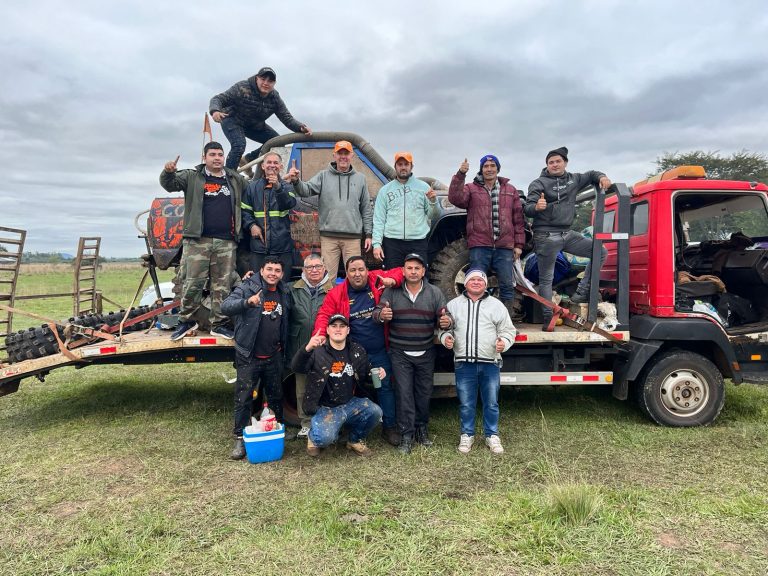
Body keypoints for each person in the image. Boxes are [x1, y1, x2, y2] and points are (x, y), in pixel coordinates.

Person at [160, 141, 248, 341]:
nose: (217, 158)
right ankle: (186, 321)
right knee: (193, 282)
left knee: (222, 285)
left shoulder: (233, 179)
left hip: (226, 241)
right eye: (213, 155)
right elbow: (169, 185)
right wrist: (168, 172)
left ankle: (219, 324)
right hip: (198, 240)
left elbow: (253, 190)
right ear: (204, 157)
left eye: (220, 154)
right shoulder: (193, 177)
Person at [314, 256, 403, 446]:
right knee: (351, 388)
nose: (357, 274)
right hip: (351, 354)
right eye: (352, 270)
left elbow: (402, 271)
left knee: (385, 387)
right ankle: (352, 426)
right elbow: (324, 315)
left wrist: (392, 281)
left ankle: (389, 427)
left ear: (367, 271)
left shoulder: (376, 281)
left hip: (379, 351)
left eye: (361, 269)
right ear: (346, 273)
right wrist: (320, 335)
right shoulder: (337, 293)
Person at [525, 147, 612, 331]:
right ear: (546, 165)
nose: (554, 164)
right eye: (551, 162)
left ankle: (580, 293)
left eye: (558, 161)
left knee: (600, 252)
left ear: (565, 162)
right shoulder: (538, 183)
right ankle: (548, 318)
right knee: (546, 279)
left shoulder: (574, 179)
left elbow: (591, 174)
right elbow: (527, 208)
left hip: (567, 233)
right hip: (546, 235)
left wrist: (602, 177)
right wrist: (536, 207)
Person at [374, 254, 452, 453]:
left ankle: (421, 429)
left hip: (425, 352)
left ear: (423, 271)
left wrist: (446, 322)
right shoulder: (392, 292)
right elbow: (377, 313)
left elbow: (446, 317)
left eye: (417, 268)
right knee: (404, 395)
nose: (413, 272)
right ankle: (406, 435)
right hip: (400, 353)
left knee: (424, 394)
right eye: (409, 268)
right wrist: (382, 315)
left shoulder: (434, 293)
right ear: (403, 271)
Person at [439, 269, 516, 455]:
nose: (475, 282)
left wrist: (503, 342)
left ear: (485, 284)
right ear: (465, 284)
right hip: (463, 363)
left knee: (491, 402)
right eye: (471, 280)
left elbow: (509, 331)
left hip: (490, 362)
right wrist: (446, 338)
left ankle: (492, 435)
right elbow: (443, 329)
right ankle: (467, 435)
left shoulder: (496, 306)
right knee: (466, 402)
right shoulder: (453, 305)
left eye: (479, 280)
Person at [221, 257, 292, 460]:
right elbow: (226, 306)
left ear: (282, 274)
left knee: (276, 395)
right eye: (269, 269)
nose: (273, 273)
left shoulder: (284, 292)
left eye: (277, 270)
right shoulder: (248, 287)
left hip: (274, 354)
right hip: (249, 354)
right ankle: (240, 439)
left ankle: (278, 429)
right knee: (243, 398)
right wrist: (247, 302)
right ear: (261, 270)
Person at [292, 314, 384, 458]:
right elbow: (296, 367)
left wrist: (378, 373)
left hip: (350, 403)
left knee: (376, 412)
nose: (338, 329)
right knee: (325, 439)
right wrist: (308, 347)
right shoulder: (317, 351)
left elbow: (366, 375)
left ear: (348, 330)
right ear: (327, 330)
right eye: (334, 326)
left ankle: (353, 440)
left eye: (342, 326)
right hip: (325, 407)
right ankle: (313, 436)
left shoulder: (356, 350)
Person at [448, 155, 526, 321]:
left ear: (498, 169)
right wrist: (460, 174)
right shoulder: (471, 188)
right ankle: (475, 319)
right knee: (475, 284)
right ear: (481, 169)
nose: (489, 169)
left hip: (504, 246)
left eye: (492, 165)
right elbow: (455, 198)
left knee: (506, 285)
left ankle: (506, 321)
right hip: (480, 245)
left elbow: (518, 220)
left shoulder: (510, 190)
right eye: (486, 166)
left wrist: (518, 244)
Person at [289, 141, 373, 279]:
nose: (343, 157)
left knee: (355, 277)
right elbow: (306, 190)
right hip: (329, 237)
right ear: (334, 155)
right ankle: (329, 301)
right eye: (340, 153)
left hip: (353, 238)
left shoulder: (361, 179)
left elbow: (366, 208)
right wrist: (296, 181)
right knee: (328, 279)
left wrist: (368, 234)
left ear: (352, 155)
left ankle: (351, 301)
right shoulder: (323, 176)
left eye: (346, 153)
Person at [209, 67, 312, 170]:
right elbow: (218, 99)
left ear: (274, 83)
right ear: (257, 78)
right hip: (232, 119)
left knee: (278, 142)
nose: (266, 83)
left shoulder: (274, 98)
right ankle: (229, 177)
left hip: (254, 125)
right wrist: (215, 111)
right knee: (239, 145)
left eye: (270, 81)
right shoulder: (242, 88)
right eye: (263, 79)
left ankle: (248, 159)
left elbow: (286, 117)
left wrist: (300, 127)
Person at [287, 253, 335, 438]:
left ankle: (326, 421)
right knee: (302, 389)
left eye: (317, 266)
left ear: (324, 268)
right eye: (309, 267)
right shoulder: (291, 289)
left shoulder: (335, 290)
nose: (314, 270)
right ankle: (305, 423)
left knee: (326, 386)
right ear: (303, 270)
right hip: (301, 345)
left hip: (326, 347)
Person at [372, 152, 441, 269]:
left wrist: (433, 201)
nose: (403, 167)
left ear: (411, 166)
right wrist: (377, 244)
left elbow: (433, 216)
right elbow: (379, 219)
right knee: (394, 279)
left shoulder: (424, 187)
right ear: (395, 167)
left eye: (406, 164)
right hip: (392, 242)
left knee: (418, 278)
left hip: (418, 242)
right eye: (400, 164)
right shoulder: (385, 191)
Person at [241, 151, 297, 274]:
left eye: (276, 163)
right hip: (259, 248)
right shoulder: (252, 187)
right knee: (258, 285)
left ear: (281, 167)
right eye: (269, 162)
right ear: (262, 166)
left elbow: (288, 204)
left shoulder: (287, 187)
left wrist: (278, 187)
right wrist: (251, 225)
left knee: (282, 286)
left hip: (282, 248)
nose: (272, 165)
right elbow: (244, 211)